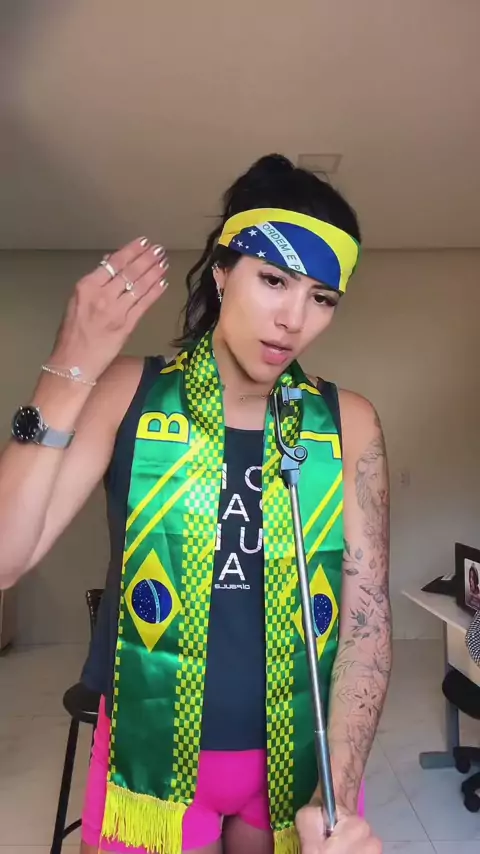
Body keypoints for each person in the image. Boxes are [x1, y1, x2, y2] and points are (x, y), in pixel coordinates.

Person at [0, 154, 391, 854]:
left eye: (322, 298)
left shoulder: (348, 422)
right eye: (273, 280)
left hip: (301, 762)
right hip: (148, 755)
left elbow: (365, 626)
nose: (293, 320)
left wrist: (338, 788)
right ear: (221, 272)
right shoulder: (130, 392)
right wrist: (71, 364)